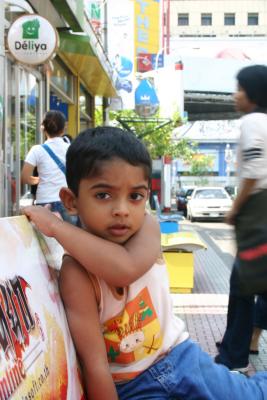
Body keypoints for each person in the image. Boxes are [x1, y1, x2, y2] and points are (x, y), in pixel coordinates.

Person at [23, 127, 267, 400]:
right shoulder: (76, 273)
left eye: (135, 196)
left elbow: (124, 269)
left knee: (251, 395)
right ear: (71, 201)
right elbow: (96, 366)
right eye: (103, 195)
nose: (122, 210)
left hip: (181, 357)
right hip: (132, 386)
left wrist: (58, 229)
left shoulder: (146, 228)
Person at [215, 65, 267, 372]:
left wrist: (235, 208)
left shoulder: (253, 122)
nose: (235, 95)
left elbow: (254, 169)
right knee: (248, 284)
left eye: (239, 88)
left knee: (243, 287)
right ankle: (234, 351)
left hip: (258, 210)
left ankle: (234, 358)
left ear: (252, 93)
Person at [21, 110, 75, 223]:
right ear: (64, 128)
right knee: (70, 239)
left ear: (42, 128)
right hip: (67, 202)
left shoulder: (37, 150)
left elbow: (25, 178)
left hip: (45, 202)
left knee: (45, 240)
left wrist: (38, 180)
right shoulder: (72, 149)